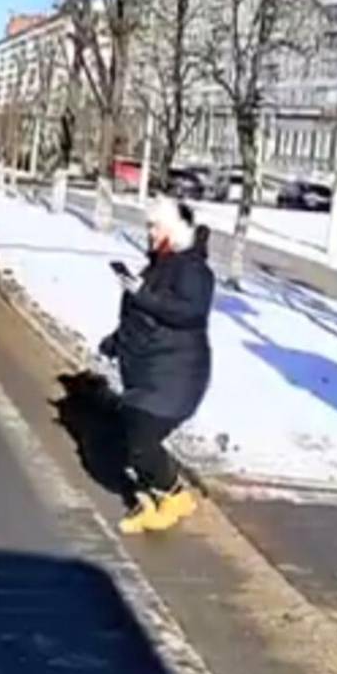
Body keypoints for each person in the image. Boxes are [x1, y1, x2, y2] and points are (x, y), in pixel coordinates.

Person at [99, 197, 214, 534]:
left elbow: (188, 311)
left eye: (155, 226)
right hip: (151, 370)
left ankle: (176, 497)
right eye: (149, 226)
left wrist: (141, 293)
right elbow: (142, 319)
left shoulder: (194, 270)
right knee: (133, 433)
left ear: (175, 230)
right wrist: (116, 342)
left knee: (142, 439)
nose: (149, 233)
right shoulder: (160, 265)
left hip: (177, 375)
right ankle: (151, 498)